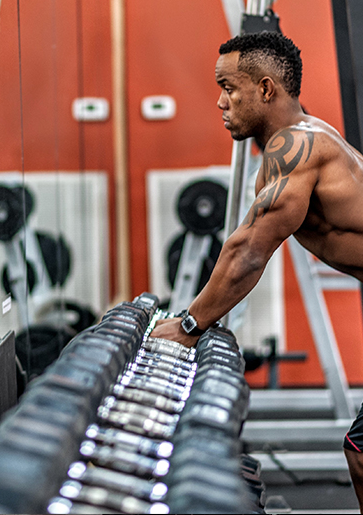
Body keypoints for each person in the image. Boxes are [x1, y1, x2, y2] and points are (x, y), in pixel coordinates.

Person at [150, 30, 363, 509]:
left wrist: (188, 326)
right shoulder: (305, 138)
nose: (220, 101)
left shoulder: (297, 147)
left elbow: (249, 250)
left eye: (229, 87)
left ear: (266, 89)